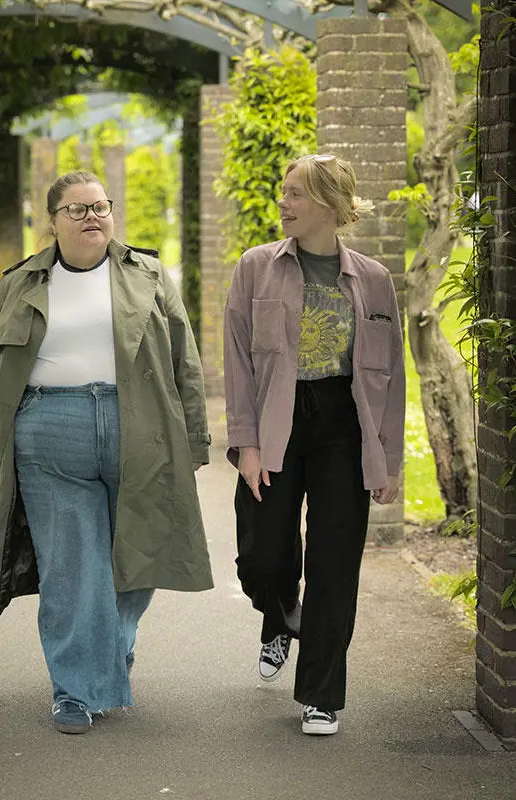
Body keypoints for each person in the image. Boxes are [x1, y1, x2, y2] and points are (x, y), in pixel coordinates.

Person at [0, 170, 213, 735]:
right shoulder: (21, 283)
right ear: (54, 221)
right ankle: (74, 690)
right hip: (49, 431)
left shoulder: (149, 275)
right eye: (78, 209)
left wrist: (197, 439)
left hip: (140, 428)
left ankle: (107, 648)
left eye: (101, 207)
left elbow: (185, 359)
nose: (93, 217)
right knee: (71, 566)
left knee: (140, 553)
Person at [223, 154, 405, 736]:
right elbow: (237, 361)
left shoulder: (374, 279)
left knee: (334, 563)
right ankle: (278, 619)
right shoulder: (256, 267)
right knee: (263, 552)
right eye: (283, 191)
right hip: (277, 419)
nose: (284, 202)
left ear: (328, 203)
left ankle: (322, 693)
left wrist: (387, 459)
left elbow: (389, 377)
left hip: (343, 427)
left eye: (295, 193)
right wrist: (245, 443)